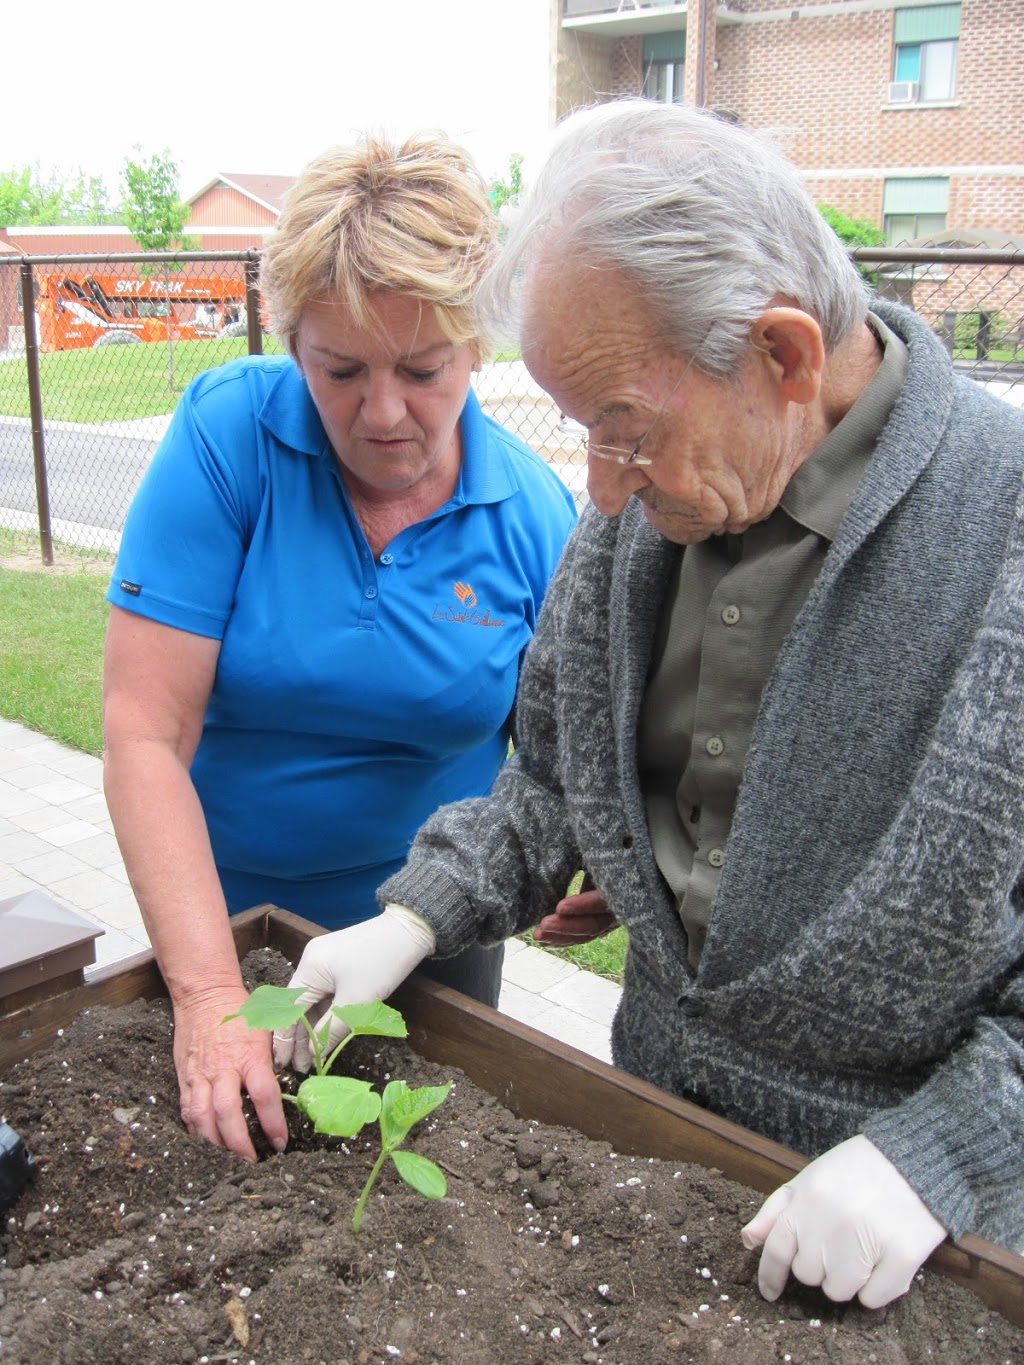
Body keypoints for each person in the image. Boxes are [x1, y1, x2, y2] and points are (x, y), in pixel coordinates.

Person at [273, 100, 1024, 1309]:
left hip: (918, 1248)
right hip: (652, 1158)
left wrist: (937, 1156)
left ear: (781, 356)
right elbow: (554, 779)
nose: (603, 496)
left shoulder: (1004, 542)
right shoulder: (649, 514)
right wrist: (410, 920)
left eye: (622, 432)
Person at [102, 133, 577, 1164]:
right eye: (339, 369)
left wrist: (594, 859)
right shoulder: (230, 440)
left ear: (478, 342)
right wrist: (210, 993)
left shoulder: (535, 517)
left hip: (429, 941)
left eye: (422, 368)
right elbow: (145, 730)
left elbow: (558, 756)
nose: (382, 412)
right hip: (228, 922)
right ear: (289, 343)